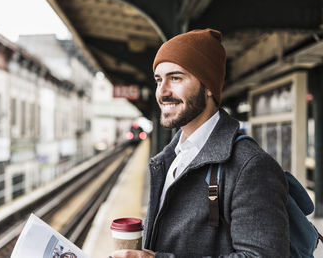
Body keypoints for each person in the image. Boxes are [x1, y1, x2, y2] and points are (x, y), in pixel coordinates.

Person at [111, 29, 289, 257]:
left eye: (175, 78)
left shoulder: (250, 166)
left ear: (208, 86)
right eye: (158, 80)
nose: (162, 92)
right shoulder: (171, 158)